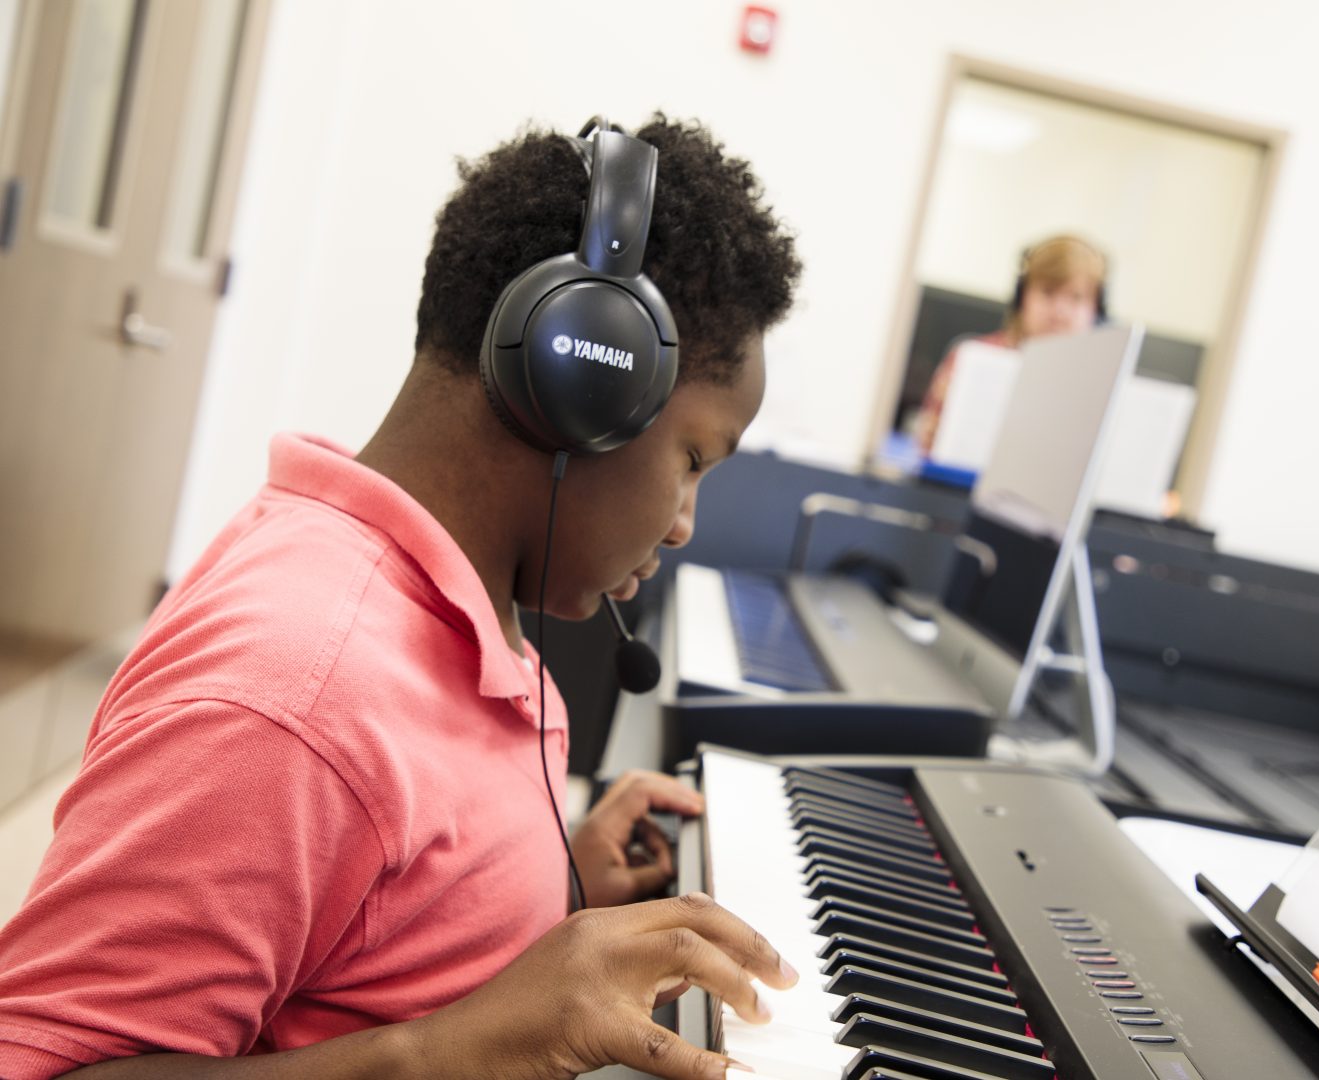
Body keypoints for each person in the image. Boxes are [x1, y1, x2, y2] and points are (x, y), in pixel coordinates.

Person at [0, 114, 802, 1079]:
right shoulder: (298, 694)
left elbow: (376, 914)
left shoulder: (450, 601)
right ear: (579, 382)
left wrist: (547, 890)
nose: (683, 523)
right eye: (693, 461)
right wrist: (444, 1052)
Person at [912, 233, 1108, 455]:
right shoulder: (972, 358)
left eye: (1076, 297)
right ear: (1021, 296)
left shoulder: (1102, 380)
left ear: (1096, 311)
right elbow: (926, 447)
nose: (1059, 311)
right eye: (1048, 292)